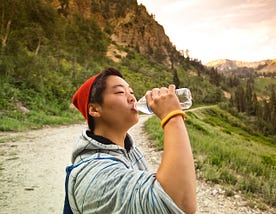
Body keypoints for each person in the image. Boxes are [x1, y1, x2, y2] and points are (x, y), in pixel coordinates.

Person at [64, 67, 196, 214]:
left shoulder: (129, 149)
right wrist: (172, 117)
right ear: (94, 110)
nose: (132, 98)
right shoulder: (95, 176)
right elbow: (176, 205)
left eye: (131, 92)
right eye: (120, 92)